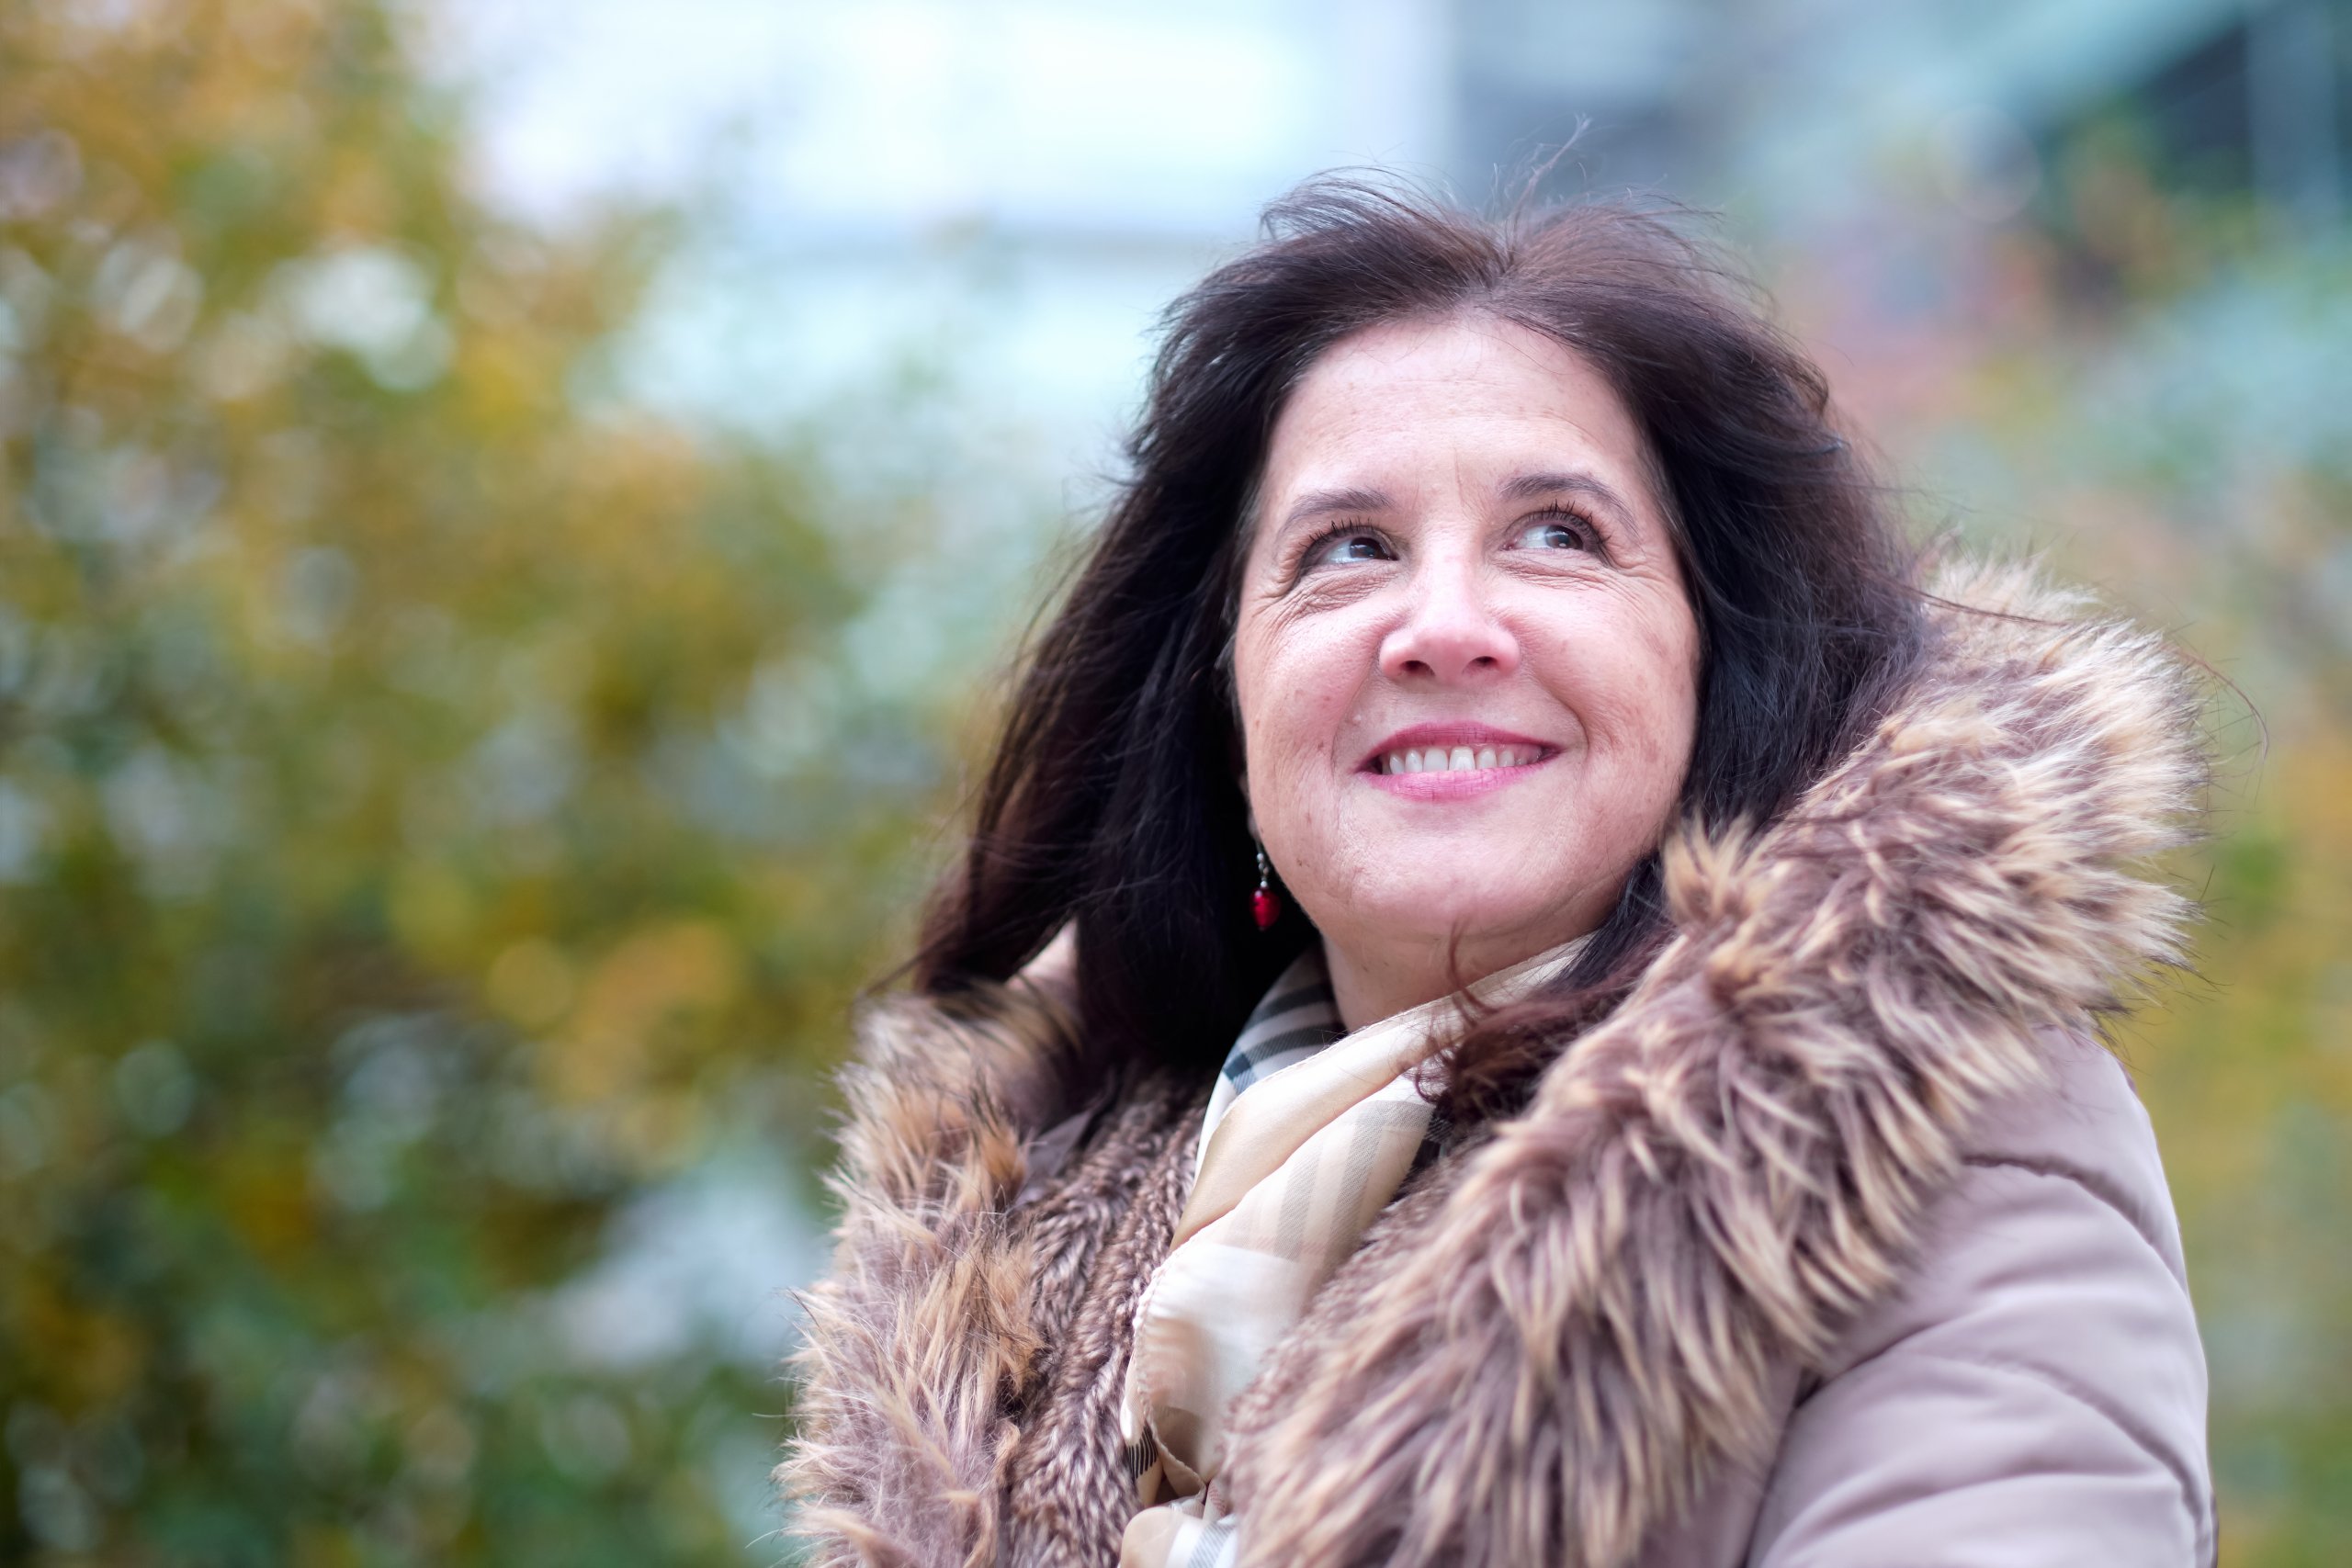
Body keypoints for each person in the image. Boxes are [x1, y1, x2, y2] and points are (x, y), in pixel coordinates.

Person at [778, 181, 2216, 1567]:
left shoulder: (1933, 1124)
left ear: (1719, 675)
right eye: (1349, 549)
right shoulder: (1039, 1217)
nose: (1444, 626)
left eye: (1558, 535)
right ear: (1225, 709)